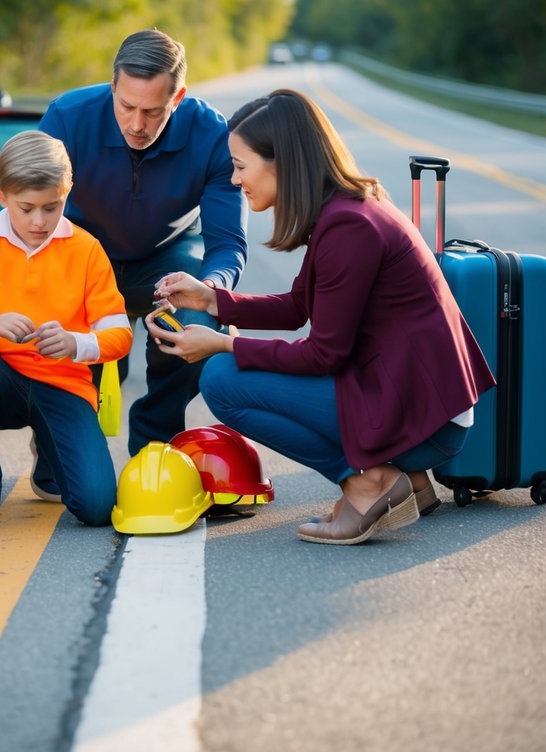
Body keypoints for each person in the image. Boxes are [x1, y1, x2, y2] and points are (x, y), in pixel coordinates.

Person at [145, 89, 495, 545]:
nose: (234, 180)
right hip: (415, 404)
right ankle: (409, 481)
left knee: (222, 380)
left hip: (426, 422)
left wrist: (222, 343)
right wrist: (211, 300)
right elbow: (298, 308)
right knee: (228, 369)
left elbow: (324, 354)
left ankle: (369, 484)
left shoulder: (349, 226)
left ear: (283, 163)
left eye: (241, 165)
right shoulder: (344, 211)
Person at [37, 28, 247, 476]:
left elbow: (227, 244)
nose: (136, 124)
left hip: (169, 257)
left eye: (153, 111)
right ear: (112, 86)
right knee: (77, 355)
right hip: (85, 255)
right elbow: (29, 218)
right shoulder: (67, 118)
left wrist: (211, 289)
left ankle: (155, 445)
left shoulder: (213, 135)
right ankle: (62, 439)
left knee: (200, 317)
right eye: (126, 106)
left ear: (180, 96)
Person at [0, 131, 133, 531]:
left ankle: (49, 456)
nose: (39, 221)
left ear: (68, 191)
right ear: (1, 195)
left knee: (98, 508)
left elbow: (120, 335)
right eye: (26, 208)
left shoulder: (86, 249)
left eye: (52, 207)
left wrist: (75, 343)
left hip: (64, 387)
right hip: (1, 385)